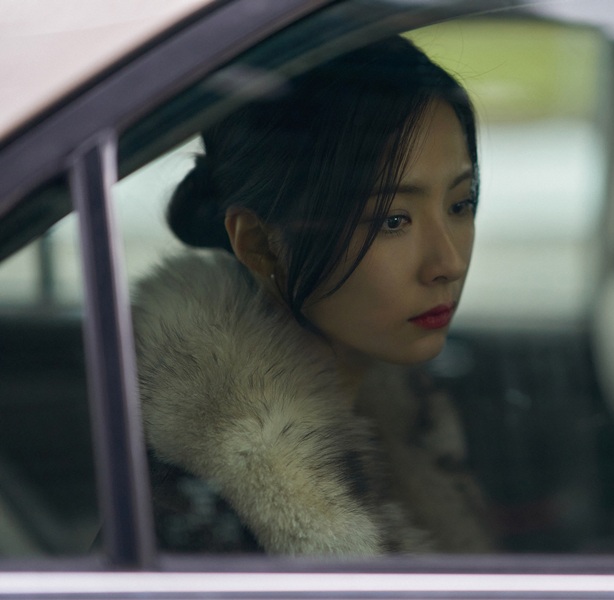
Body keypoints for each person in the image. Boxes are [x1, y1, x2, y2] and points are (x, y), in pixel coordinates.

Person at [130, 36, 494, 555]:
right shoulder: (199, 528)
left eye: (461, 203)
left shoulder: (396, 433)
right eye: (393, 220)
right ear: (260, 244)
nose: (449, 263)